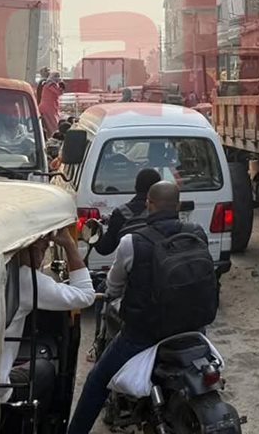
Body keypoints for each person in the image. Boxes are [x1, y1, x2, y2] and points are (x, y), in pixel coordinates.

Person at [67, 182, 216, 434]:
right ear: (178, 206)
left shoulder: (132, 242)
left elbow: (114, 286)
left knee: (96, 380)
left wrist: (109, 293)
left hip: (144, 334)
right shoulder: (197, 233)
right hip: (194, 328)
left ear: (148, 203)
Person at [0, 229, 95, 409]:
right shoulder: (26, 279)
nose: (42, 256)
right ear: (30, 250)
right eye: (42, 249)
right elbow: (86, 295)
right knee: (44, 368)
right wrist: (69, 245)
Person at [93, 168, 162, 256]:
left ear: (136, 187)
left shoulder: (121, 213)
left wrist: (95, 233)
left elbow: (105, 248)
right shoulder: (164, 212)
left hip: (130, 266)